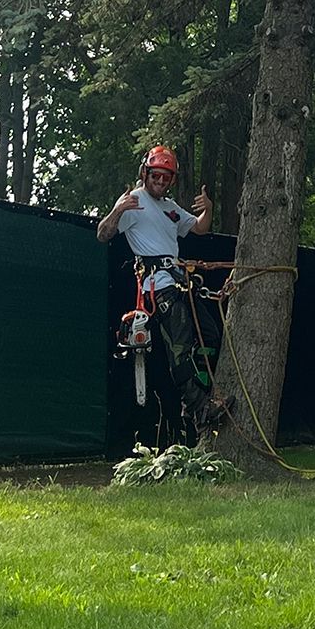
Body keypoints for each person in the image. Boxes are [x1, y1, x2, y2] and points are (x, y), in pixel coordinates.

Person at [98, 145, 219, 434]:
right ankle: (198, 409)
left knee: (209, 333)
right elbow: (103, 234)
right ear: (145, 173)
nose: (160, 182)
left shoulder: (170, 207)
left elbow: (199, 228)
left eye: (166, 178)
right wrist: (117, 210)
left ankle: (200, 392)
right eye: (156, 176)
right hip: (159, 287)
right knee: (180, 344)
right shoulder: (134, 201)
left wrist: (209, 209)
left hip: (180, 281)